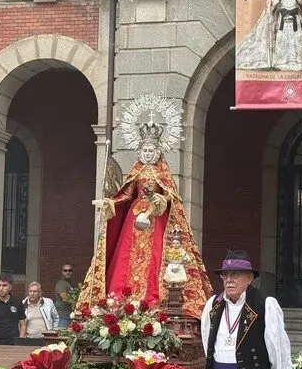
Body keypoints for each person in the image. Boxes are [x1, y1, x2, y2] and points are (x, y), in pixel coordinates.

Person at [77, 95, 212, 317]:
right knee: (126, 257)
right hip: (134, 217)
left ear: (158, 151)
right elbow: (127, 193)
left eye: (151, 150)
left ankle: (152, 298)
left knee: (155, 256)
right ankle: (123, 298)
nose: (148, 153)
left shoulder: (162, 173)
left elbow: (170, 197)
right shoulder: (137, 172)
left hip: (154, 219)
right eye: (145, 150)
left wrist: (158, 202)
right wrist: (110, 202)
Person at [53, 264, 75, 329]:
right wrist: (77, 303)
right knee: (61, 337)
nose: (68, 272)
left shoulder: (69, 284)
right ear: (62, 272)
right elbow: (65, 298)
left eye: (70, 270)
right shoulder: (61, 283)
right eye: (65, 270)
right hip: (63, 317)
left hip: (69, 316)